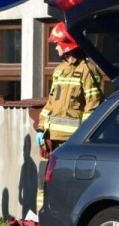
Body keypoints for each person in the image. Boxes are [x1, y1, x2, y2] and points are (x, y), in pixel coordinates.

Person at [38, 21, 105, 157]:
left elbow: (93, 106)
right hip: (54, 139)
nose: (56, 48)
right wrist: (41, 128)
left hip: (73, 141)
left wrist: (84, 136)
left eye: (58, 43)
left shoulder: (87, 70)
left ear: (67, 45)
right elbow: (51, 103)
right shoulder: (59, 70)